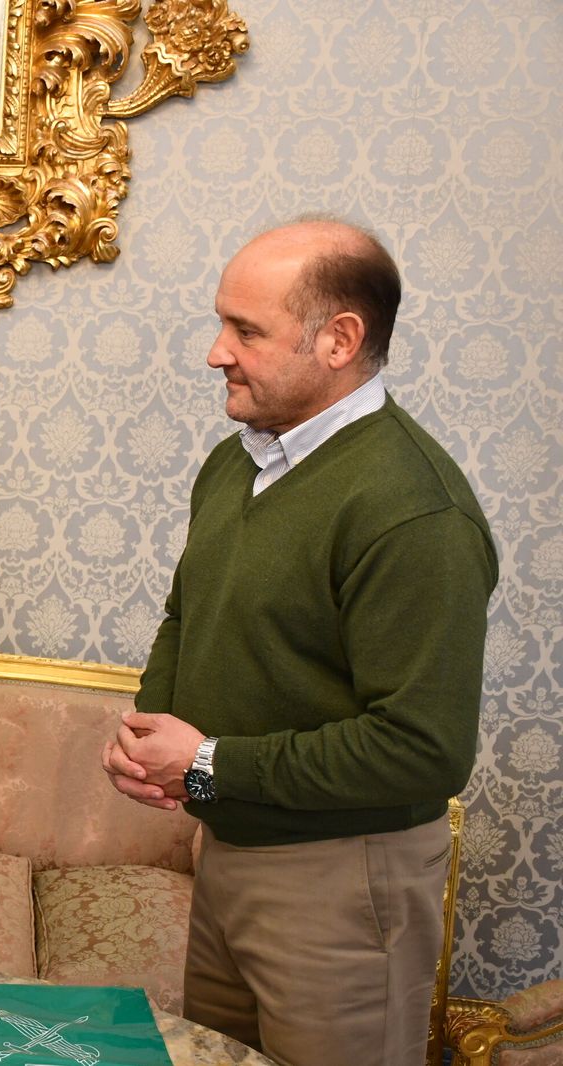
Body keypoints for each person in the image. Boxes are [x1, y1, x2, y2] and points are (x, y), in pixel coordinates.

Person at [101, 219, 497, 1066]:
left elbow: (423, 750)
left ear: (339, 341)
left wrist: (206, 763)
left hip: (344, 880)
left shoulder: (414, 513)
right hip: (231, 852)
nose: (217, 352)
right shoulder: (236, 462)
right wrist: (151, 731)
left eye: (246, 331)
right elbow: (189, 612)